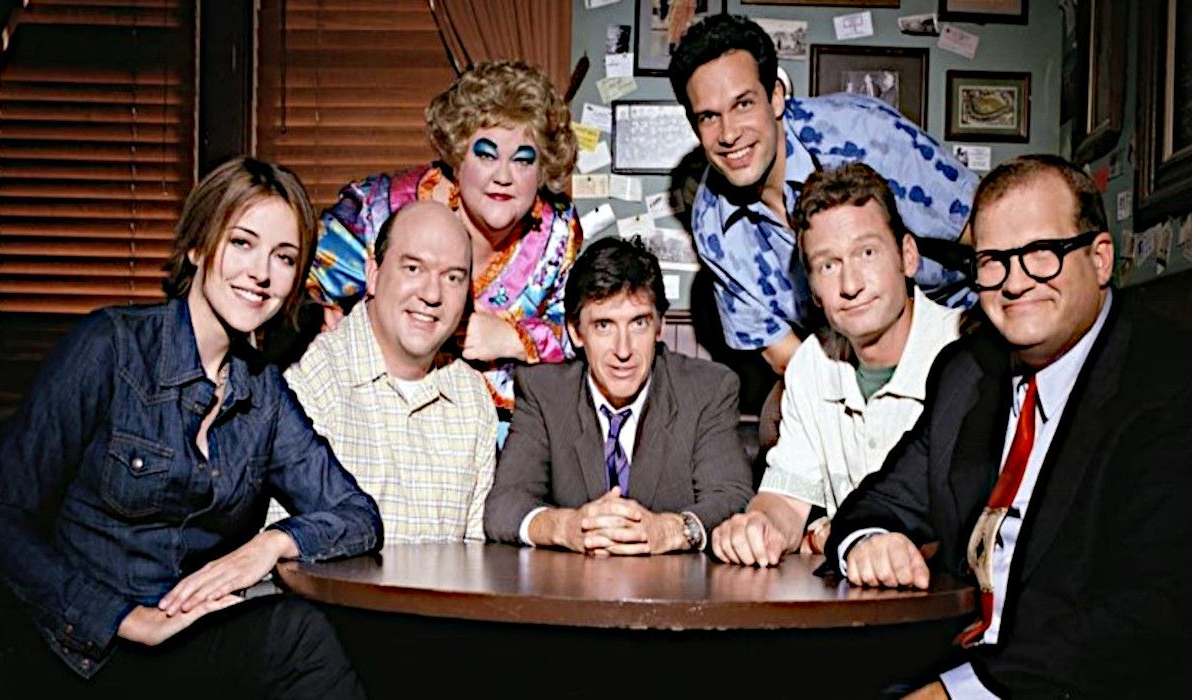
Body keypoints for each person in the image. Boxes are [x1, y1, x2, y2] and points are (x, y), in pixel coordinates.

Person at [822, 155, 1192, 697]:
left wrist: (958, 695)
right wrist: (870, 541)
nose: (1014, 283)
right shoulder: (968, 371)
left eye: (1040, 254)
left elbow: (1162, 616)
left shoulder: (1186, 387)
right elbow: (876, 502)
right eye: (993, 261)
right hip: (948, 663)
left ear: (1100, 259)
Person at [0, 157, 382, 698]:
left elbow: (357, 515)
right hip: (84, 654)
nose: (261, 273)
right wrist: (122, 618)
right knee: (297, 636)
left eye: (284, 257)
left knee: (305, 631)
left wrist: (269, 546)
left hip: (186, 643)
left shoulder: (263, 394)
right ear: (198, 247)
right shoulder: (110, 347)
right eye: (242, 243)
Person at [669, 14, 978, 375]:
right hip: (845, 359)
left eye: (744, 104)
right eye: (708, 116)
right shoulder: (712, 227)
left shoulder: (863, 133)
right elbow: (788, 358)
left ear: (776, 98)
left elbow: (984, 231)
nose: (728, 134)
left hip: (960, 323)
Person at [308, 60, 581, 437]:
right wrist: (317, 315)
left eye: (522, 160)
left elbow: (585, 335)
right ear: (457, 157)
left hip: (504, 440)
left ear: (543, 169)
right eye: (486, 154)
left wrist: (516, 338)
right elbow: (296, 282)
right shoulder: (384, 206)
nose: (503, 176)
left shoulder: (556, 235)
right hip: (373, 422)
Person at [710, 163, 962, 567]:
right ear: (812, 290)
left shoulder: (964, 351)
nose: (850, 284)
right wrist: (756, 526)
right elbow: (786, 503)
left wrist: (844, 534)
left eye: (867, 253)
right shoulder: (812, 363)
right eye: (828, 264)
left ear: (908, 256)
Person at [484, 237, 753, 555]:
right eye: (603, 325)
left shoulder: (708, 389)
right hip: (572, 595)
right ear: (576, 331)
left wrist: (671, 530)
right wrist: (567, 527)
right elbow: (503, 505)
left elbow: (732, 496)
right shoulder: (544, 392)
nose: (623, 350)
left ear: (660, 327)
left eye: (638, 323)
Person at [270, 201, 497, 542]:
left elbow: (478, 554)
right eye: (412, 269)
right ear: (373, 275)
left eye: (452, 278)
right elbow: (283, 547)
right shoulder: (312, 377)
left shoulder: (472, 397)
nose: (432, 294)